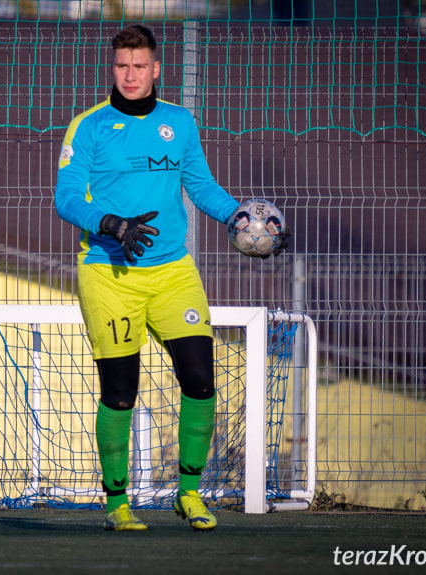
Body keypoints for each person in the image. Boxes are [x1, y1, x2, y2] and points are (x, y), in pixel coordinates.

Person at [55, 24, 282, 532]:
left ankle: (189, 494)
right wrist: (110, 223)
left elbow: (200, 185)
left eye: (139, 66)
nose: (130, 75)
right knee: (119, 392)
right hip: (109, 273)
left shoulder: (179, 123)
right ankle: (116, 504)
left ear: (157, 69)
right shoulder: (88, 127)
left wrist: (239, 219)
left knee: (200, 380)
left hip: (173, 273)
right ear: (112, 68)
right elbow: (66, 196)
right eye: (121, 66)